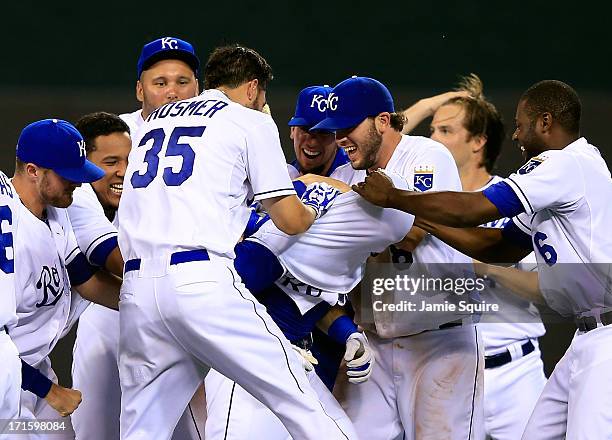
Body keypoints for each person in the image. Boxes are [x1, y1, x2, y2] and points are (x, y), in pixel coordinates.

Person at [354, 79, 612, 439]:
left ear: (546, 122)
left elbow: (474, 210)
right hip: (587, 337)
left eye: (521, 125)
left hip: (603, 339)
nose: (515, 136)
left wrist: (398, 198)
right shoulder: (559, 181)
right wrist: (413, 212)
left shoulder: (565, 164)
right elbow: (495, 247)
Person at [117, 44, 349, 440]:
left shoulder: (153, 122)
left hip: (137, 289)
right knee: (300, 397)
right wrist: (314, 203)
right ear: (254, 88)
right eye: (263, 96)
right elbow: (290, 221)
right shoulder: (248, 121)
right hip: (200, 282)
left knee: (143, 429)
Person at [312, 76, 484, 440]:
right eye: (335, 129)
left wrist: (333, 190)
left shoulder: (425, 156)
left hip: (438, 341)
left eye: (348, 126)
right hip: (375, 341)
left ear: (383, 121)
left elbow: (411, 233)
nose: (340, 138)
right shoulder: (347, 172)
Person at [401, 74, 547, 440]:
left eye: (446, 131)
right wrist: (435, 103)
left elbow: (544, 288)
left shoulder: (513, 199)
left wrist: (483, 263)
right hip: (448, 367)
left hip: (513, 374)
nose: (432, 139)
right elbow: (384, 139)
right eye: (433, 129)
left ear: (478, 142)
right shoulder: (424, 198)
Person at [9, 119, 123, 438]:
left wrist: (147, 302)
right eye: (66, 174)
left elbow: (84, 279)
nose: (77, 183)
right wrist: (49, 391)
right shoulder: (10, 233)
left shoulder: (55, 209)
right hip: (10, 382)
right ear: (33, 170)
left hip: (35, 370)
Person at [120, 36, 200, 134]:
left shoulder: (214, 130)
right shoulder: (119, 133)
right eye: (161, 84)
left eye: (182, 82)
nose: (172, 93)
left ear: (196, 88)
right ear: (140, 90)